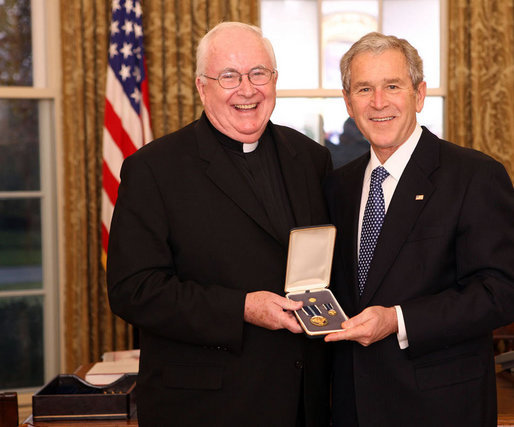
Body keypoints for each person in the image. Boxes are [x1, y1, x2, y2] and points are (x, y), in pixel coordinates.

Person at [107, 22, 332, 427]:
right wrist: (242, 308)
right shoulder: (154, 169)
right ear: (202, 87)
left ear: (275, 80)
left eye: (258, 73)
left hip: (304, 402)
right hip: (206, 407)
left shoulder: (311, 159)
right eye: (229, 76)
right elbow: (133, 291)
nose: (247, 90)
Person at [323, 32, 514, 426]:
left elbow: (502, 292)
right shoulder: (336, 186)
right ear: (348, 102)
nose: (378, 103)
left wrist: (398, 320)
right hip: (350, 406)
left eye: (392, 86)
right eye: (364, 89)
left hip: (439, 407)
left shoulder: (475, 176)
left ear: (419, 94)